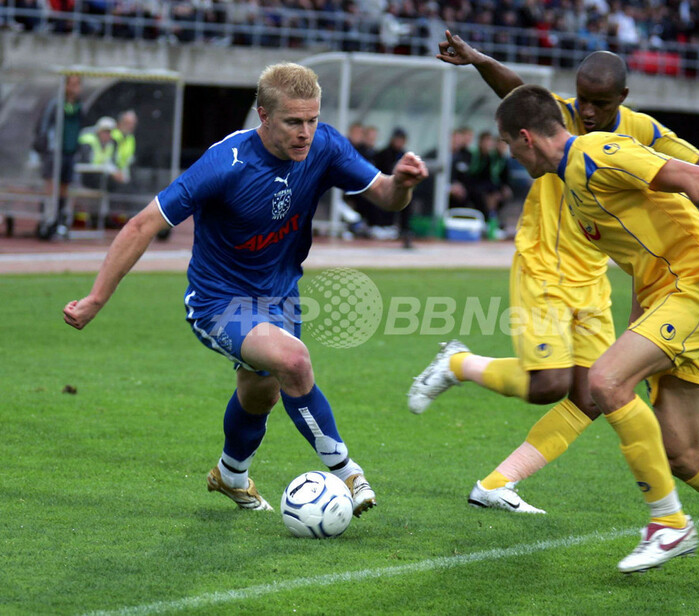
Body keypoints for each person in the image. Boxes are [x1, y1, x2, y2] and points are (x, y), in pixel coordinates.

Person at [409, 31, 699, 518]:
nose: (588, 112)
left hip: (598, 269)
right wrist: (477, 60)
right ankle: (458, 365)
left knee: (596, 393)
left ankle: (499, 481)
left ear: (622, 99)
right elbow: (513, 91)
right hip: (545, 261)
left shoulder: (639, 132)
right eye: (582, 101)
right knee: (552, 384)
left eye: (600, 103)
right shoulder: (561, 122)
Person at [63, 62, 428, 517]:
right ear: (264, 115)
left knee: (263, 391)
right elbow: (143, 224)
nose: (306, 132)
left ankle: (230, 476)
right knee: (293, 362)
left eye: (312, 120)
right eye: (294, 121)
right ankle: (347, 472)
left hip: (280, 295)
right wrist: (97, 298)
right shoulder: (225, 163)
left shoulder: (326, 145)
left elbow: (386, 196)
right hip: (219, 301)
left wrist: (403, 185)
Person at [494, 83, 699, 574]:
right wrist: (637, 330)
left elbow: (696, 178)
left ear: (526, 138)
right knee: (682, 453)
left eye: (508, 144)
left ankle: (669, 524)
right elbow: (641, 257)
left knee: (603, 381)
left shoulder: (597, 152)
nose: (509, 155)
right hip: (674, 298)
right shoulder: (574, 191)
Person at [32, 73, 83, 240]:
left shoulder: (79, 106)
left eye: (78, 85)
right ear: (66, 86)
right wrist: (45, 147)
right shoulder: (56, 104)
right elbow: (44, 126)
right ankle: (47, 220)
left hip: (69, 152)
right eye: (72, 84)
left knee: (65, 187)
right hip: (54, 152)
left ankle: (60, 220)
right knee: (51, 186)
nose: (75, 88)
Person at [77, 116, 125, 189]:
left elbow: (112, 162)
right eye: (105, 131)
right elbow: (87, 163)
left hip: (102, 177)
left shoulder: (111, 144)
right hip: (87, 176)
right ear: (99, 131)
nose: (107, 135)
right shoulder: (89, 142)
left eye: (110, 132)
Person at [111, 109, 138, 185]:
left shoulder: (130, 138)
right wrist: (115, 171)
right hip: (111, 174)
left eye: (133, 124)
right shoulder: (113, 136)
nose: (131, 126)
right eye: (128, 123)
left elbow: (129, 160)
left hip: (123, 173)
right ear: (120, 123)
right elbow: (109, 157)